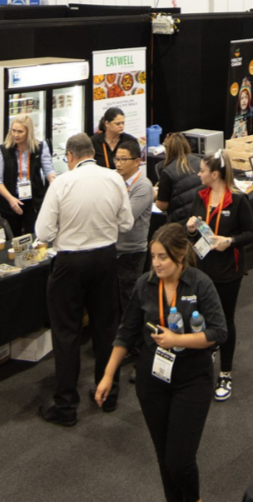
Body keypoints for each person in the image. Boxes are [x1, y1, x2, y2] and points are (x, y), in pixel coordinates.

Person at [96, 224, 227, 502]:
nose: (155, 263)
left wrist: (178, 339)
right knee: (164, 456)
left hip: (192, 378)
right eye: (153, 256)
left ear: (180, 255)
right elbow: (126, 331)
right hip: (153, 379)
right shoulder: (145, 284)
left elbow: (219, 332)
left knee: (180, 459)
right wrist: (108, 375)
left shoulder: (200, 283)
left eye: (162, 257)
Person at [34, 134, 132, 426]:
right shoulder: (114, 179)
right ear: (92, 153)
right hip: (104, 259)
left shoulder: (62, 183)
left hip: (70, 263)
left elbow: (42, 233)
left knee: (67, 334)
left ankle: (66, 406)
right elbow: (126, 223)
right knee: (106, 328)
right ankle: (109, 393)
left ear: (71, 156)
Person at [171, 153, 253, 401]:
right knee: (202, 317)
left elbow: (252, 233)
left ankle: (225, 373)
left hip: (228, 272)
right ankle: (206, 355)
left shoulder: (238, 200)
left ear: (214, 174)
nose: (198, 174)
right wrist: (189, 229)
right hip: (202, 271)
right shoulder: (200, 197)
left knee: (225, 321)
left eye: (202, 171)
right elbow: (196, 235)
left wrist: (229, 241)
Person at [110, 135, 154, 404]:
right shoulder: (116, 181)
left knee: (132, 301)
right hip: (114, 250)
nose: (118, 163)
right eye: (116, 158)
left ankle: (140, 354)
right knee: (119, 301)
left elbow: (124, 219)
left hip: (132, 251)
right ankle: (127, 346)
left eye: (123, 159)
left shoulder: (143, 186)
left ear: (137, 162)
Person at [0, 115, 56, 240]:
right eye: (13, 130)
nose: (16, 135)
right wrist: (10, 199)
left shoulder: (40, 148)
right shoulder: (3, 150)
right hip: (10, 201)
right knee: (13, 239)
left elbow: (49, 170)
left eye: (20, 131)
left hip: (33, 202)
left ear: (29, 132)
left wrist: (53, 181)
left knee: (34, 237)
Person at [156, 134, 204, 213]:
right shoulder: (200, 162)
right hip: (201, 214)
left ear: (167, 150)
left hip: (180, 219)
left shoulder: (168, 172)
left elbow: (162, 206)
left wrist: (156, 195)